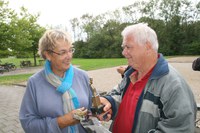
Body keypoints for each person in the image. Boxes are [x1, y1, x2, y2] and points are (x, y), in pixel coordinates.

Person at [99, 23, 197, 133]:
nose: (123, 52)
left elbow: (179, 129)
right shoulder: (131, 74)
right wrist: (109, 103)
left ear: (148, 47)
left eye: (128, 47)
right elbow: (119, 94)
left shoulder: (173, 85)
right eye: (123, 47)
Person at [19, 29, 92, 133]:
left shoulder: (83, 76)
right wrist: (61, 122)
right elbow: (28, 123)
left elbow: (92, 108)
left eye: (70, 50)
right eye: (63, 52)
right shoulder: (34, 82)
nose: (69, 56)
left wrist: (99, 112)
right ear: (48, 55)